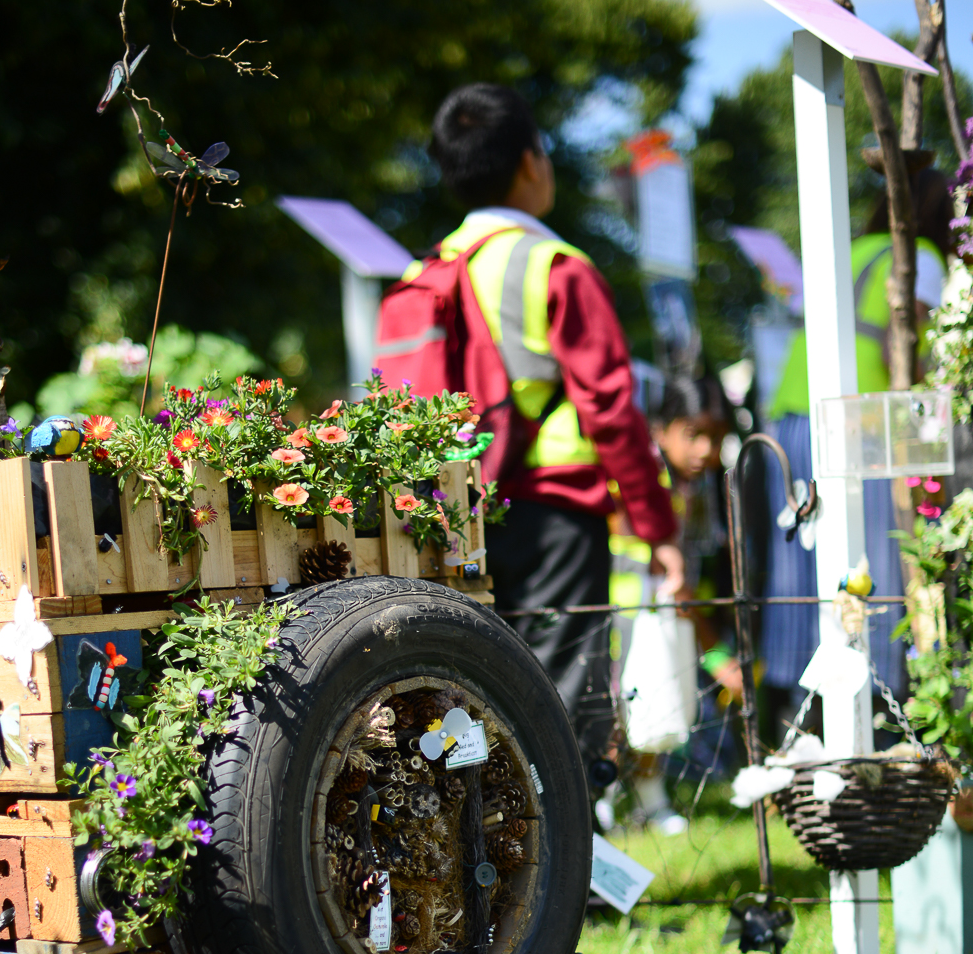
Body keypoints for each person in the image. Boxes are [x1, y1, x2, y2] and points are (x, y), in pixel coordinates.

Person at [402, 84, 684, 778]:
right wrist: (658, 528)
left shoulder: (423, 273)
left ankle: (487, 871)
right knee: (560, 704)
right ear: (532, 162)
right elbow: (611, 411)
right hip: (555, 512)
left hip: (452, 518)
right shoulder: (557, 267)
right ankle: (566, 876)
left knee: (472, 702)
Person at [761, 166, 952, 736]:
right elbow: (914, 354)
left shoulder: (850, 248)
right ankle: (875, 703)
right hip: (859, 426)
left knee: (801, 563)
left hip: (794, 418)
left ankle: (798, 712)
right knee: (871, 563)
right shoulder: (920, 258)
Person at [605, 374, 740, 833]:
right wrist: (716, 653)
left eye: (717, 438)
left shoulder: (692, 488)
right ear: (661, 430)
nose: (706, 450)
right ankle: (604, 801)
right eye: (694, 435)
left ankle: (649, 799)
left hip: (654, 613)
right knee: (616, 706)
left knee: (652, 700)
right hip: (621, 611)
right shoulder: (645, 479)